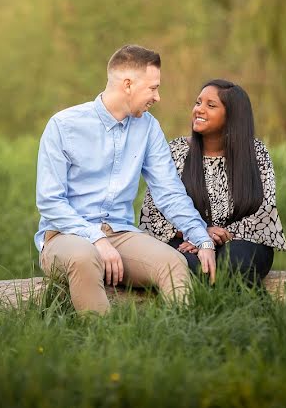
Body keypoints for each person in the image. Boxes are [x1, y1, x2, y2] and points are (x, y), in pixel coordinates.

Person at [35, 44, 217, 314]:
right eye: (152, 88)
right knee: (84, 258)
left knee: (174, 263)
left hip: (120, 234)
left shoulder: (148, 128)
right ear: (128, 84)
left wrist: (201, 238)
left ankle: (181, 343)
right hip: (66, 236)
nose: (157, 97)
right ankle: (105, 345)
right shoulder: (64, 125)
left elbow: (169, 192)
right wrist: (96, 239)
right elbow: (50, 202)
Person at [139, 79, 286, 285]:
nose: (199, 109)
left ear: (233, 116)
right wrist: (199, 233)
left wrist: (220, 237)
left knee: (236, 263)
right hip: (184, 240)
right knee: (192, 267)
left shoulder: (256, 153)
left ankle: (252, 312)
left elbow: (264, 211)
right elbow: (153, 214)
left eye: (211, 105)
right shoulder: (175, 151)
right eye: (198, 102)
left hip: (242, 241)